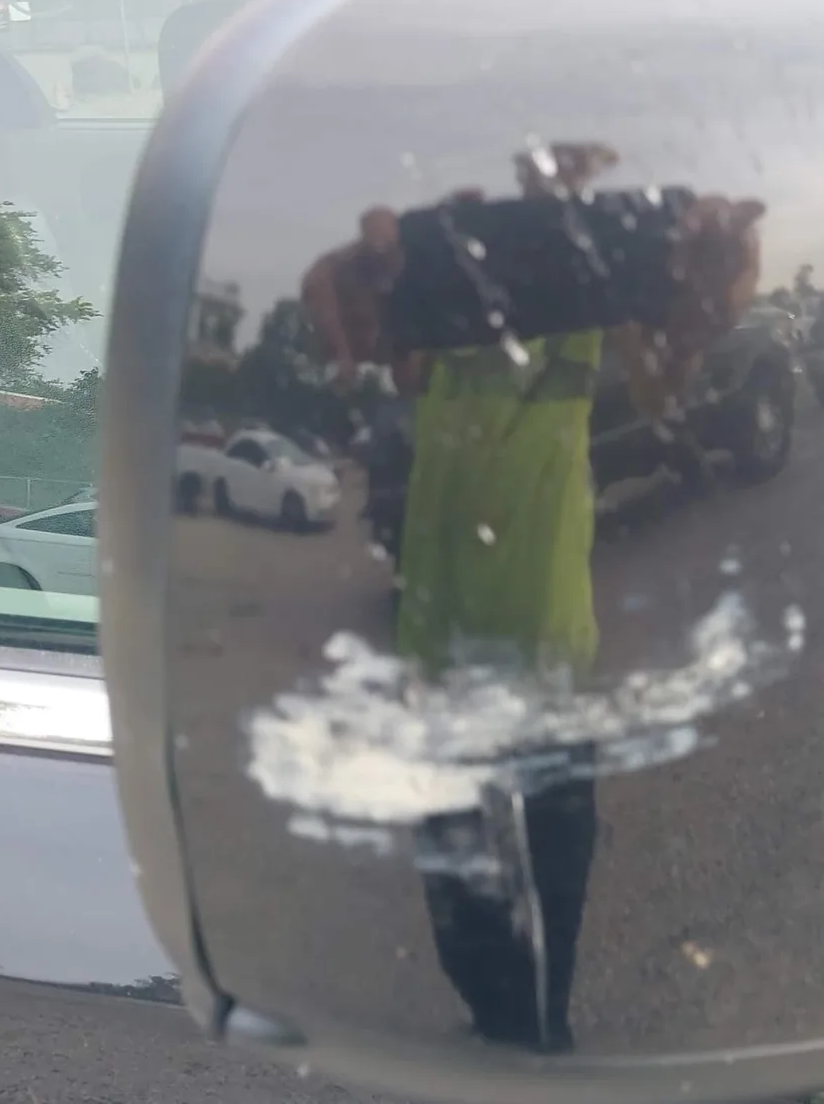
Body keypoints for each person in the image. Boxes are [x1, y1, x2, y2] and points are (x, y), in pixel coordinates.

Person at [302, 142, 764, 1049]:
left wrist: (695, 332)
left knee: (553, 867)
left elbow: (661, 390)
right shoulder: (456, 286)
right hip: (437, 641)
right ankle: (495, 1015)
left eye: (569, 185)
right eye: (534, 183)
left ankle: (543, 1029)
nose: (549, 204)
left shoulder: (595, 298)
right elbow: (390, 364)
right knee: (454, 868)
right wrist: (366, 287)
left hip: (543, 639)